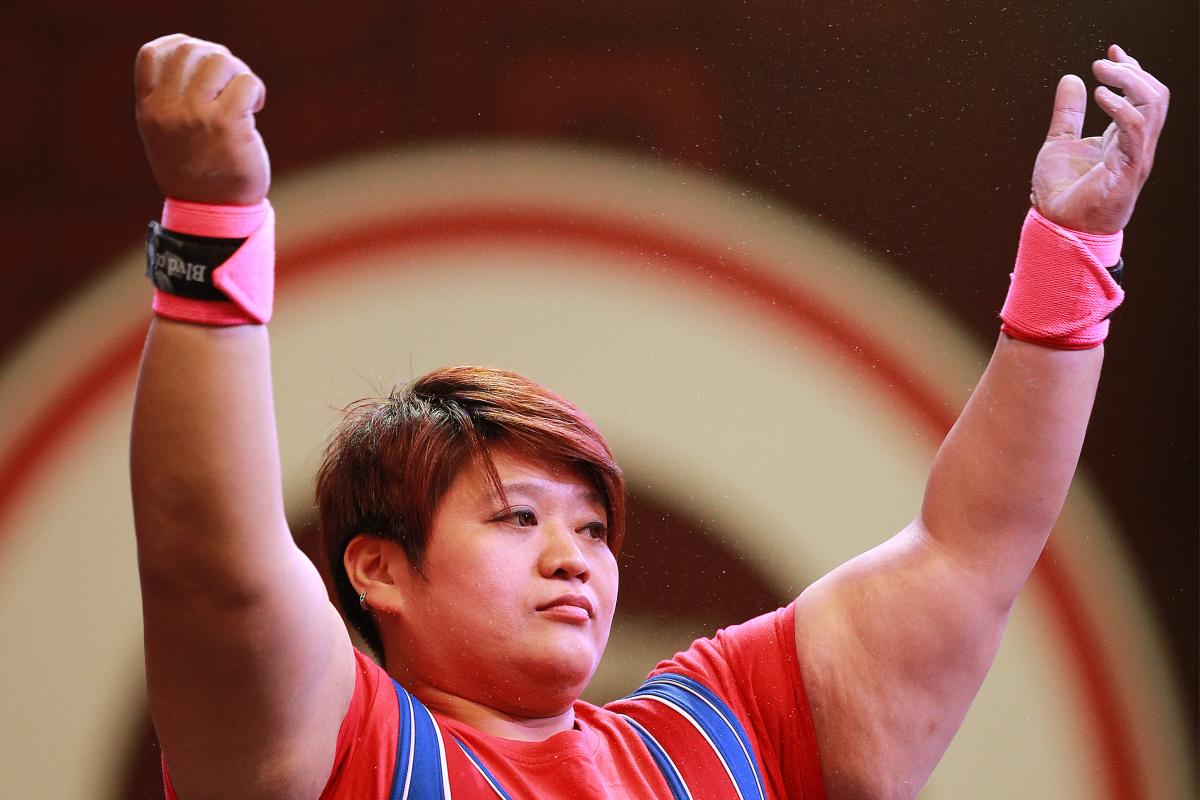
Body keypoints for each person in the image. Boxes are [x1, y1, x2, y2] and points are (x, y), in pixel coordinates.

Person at [129, 32, 1169, 800]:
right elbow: (207, 566)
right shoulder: (330, 745)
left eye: (591, 527)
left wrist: (1072, 258)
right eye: (516, 517)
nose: (573, 556)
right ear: (376, 567)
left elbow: (971, 548)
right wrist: (211, 220)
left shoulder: (725, 733)